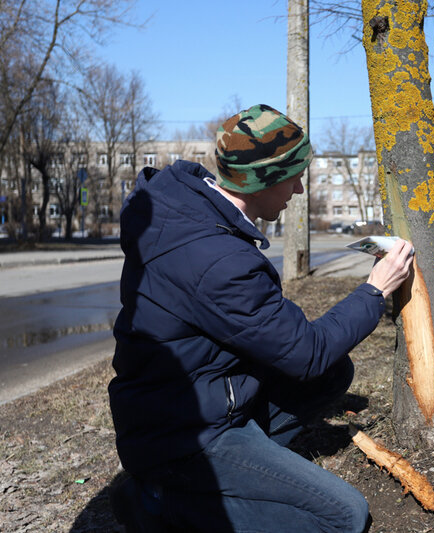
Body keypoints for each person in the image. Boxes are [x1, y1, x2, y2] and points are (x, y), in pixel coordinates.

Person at [108, 104, 414, 532]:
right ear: (259, 181)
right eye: (294, 176)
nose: (301, 189)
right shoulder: (217, 260)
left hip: (185, 403)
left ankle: (239, 470)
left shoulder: (190, 210)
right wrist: (375, 289)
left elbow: (295, 348)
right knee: (343, 516)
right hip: (181, 437)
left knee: (331, 373)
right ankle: (157, 502)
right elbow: (305, 353)